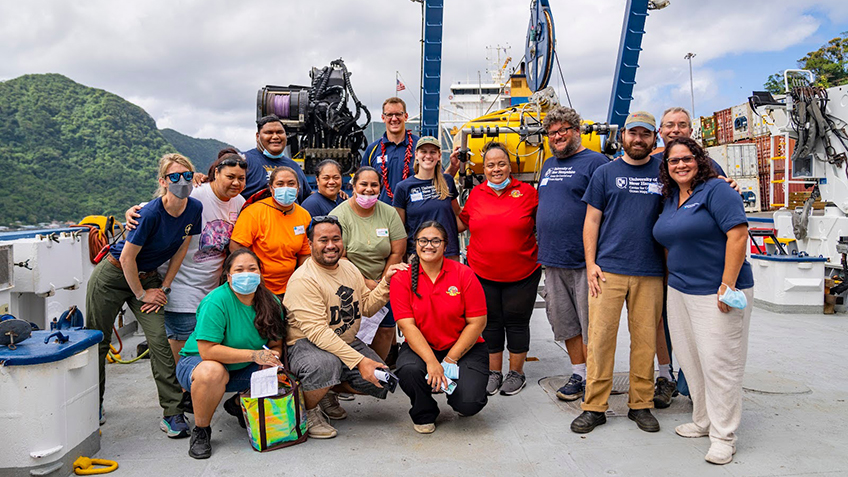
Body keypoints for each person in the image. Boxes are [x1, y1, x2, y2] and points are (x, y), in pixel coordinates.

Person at [653, 137, 754, 465]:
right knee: (691, 358)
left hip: (716, 291)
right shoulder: (671, 198)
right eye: (673, 161)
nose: (680, 165)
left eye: (687, 158)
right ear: (666, 168)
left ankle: (724, 435)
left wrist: (727, 286)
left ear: (699, 159)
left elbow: (738, 235)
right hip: (680, 290)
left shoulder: (717, 190)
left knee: (719, 363)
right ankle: (703, 419)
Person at [86, 153, 201, 438]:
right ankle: (92, 406)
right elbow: (126, 258)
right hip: (113, 277)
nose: (181, 182)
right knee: (98, 342)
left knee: (159, 342)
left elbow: (181, 250)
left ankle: (172, 414)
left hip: (149, 277)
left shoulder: (194, 208)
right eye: (174, 177)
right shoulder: (149, 213)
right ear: (163, 181)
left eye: (187, 176)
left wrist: (163, 288)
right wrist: (141, 294)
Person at [571, 111, 665, 434]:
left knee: (644, 343)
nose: (639, 139)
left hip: (650, 270)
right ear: (623, 135)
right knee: (599, 340)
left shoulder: (664, 171)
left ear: (654, 138)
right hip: (607, 271)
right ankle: (594, 406)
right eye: (633, 133)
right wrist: (591, 263)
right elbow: (591, 221)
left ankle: (641, 404)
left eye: (646, 134)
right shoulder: (605, 173)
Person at [283, 216, 407, 439]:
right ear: (310, 244)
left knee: (381, 380)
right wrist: (360, 361)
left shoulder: (349, 267)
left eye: (336, 239)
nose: (330, 245)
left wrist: (386, 282)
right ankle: (308, 410)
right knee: (325, 364)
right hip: (306, 344)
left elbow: (367, 307)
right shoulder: (303, 279)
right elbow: (318, 333)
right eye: (323, 240)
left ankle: (325, 390)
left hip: (344, 340)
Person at [126, 149, 248, 365]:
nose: (236, 183)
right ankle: (181, 392)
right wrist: (133, 211)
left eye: (241, 178)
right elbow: (158, 206)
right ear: (216, 174)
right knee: (183, 345)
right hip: (182, 285)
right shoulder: (197, 193)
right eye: (230, 177)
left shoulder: (238, 202)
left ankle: (193, 391)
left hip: (211, 287)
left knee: (208, 343)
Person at [650, 107, 737, 408]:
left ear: (691, 130)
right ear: (660, 131)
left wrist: (728, 282)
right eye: (669, 125)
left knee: (704, 335)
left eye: (682, 124)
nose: (675, 130)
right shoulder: (650, 163)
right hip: (662, 262)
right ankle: (667, 377)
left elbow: (730, 216)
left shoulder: (709, 168)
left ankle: (695, 390)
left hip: (703, 271)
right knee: (668, 324)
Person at [176, 248, 286, 459]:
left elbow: (276, 343)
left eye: (252, 269)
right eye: (239, 269)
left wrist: (273, 358)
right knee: (213, 372)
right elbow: (208, 351)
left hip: (243, 367)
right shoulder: (216, 301)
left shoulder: (272, 302)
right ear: (228, 276)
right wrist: (254, 356)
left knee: (279, 373)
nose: (246, 274)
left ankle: (236, 404)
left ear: (260, 273)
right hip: (200, 363)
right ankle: (202, 430)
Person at [537, 107, 609, 402]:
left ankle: (596, 376)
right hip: (553, 260)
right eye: (553, 133)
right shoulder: (548, 165)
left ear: (577, 131)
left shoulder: (596, 163)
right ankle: (579, 372)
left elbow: (607, 210)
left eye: (564, 130)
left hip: (585, 262)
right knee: (566, 322)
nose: (558, 136)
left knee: (592, 323)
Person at [457, 142, 541, 396]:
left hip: (522, 272)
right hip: (483, 272)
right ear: (484, 169)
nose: (496, 169)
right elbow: (461, 224)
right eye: (490, 165)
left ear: (510, 166)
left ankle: (516, 373)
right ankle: (494, 372)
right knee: (490, 323)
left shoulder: (527, 192)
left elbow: (545, 223)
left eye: (501, 163)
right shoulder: (477, 194)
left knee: (517, 322)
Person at [391, 221, 488, 433]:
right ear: (415, 244)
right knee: (409, 370)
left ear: (445, 245)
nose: (429, 245)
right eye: (423, 240)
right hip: (423, 347)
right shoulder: (402, 278)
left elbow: (478, 322)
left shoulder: (463, 274)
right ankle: (424, 411)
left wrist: (450, 359)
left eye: (436, 241)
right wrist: (432, 362)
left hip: (463, 348)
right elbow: (407, 326)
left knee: (470, 403)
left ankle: (458, 394)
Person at [330, 166, 406, 360]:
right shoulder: (340, 215)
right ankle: (354, 372)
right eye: (363, 184)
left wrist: (383, 282)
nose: (369, 189)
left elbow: (398, 250)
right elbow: (340, 256)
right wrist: (363, 281)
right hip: (349, 282)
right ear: (353, 186)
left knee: (386, 329)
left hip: (385, 279)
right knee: (350, 330)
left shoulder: (389, 213)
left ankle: (378, 369)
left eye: (374, 185)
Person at [230, 166, 312, 298]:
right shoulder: (254, 212)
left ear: (298, 188)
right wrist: (253, 276)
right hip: (258, 287)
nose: (286, 188)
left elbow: (304, 254)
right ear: (271, 188)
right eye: (280, 184)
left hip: (290, 287)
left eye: (291, 184)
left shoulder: (304, 215)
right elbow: (236, 247)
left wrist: (301, 281)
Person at [362, 98, 460, 204]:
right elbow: (361, 185)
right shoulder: (372, 150)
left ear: (406, 116)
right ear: (383, 118)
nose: (394, 119)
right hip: (381, 216)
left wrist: (454, 167)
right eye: (389, 115)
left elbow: (440, 180)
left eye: (398, 114)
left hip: (415, 216)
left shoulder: (421, 148)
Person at [393, 136, 461, 260]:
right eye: (424, 151)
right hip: (419, 254)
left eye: (432, 152)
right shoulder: (403, 188)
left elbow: (458, 216)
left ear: (439, 156)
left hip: (448, 253)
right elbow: (399, 229)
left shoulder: (448, 182)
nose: (428, 156)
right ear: (416, 155)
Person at [241, 114, 312, 201]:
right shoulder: (244, 161)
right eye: (269, 133)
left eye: (279, 132)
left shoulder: (294, 166)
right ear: (257, 136)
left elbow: (307, 197)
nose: (275, 137)